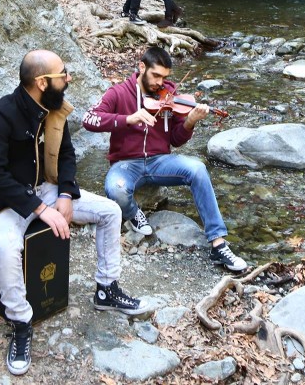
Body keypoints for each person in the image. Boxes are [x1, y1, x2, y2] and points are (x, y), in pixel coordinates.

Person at [0, 50, 148, 377]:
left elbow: (67, 155)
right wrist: (39, 208)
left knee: (110, 210)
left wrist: (65, 194)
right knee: (6, 247)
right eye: (62, 74)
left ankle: (106, 289)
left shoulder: (54, 110)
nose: (68, 78)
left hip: (50, 190)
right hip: (5, 201)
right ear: (41, 82)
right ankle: (21, 322)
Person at [81, 46, 248, 273]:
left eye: (165, 77)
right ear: (142, 67)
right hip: (126, 164)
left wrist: (189, 121)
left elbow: (177, 140)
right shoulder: (118, 93)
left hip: (160, 162)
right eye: (156, 75)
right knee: (115, 188)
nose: (161, 83)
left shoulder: (169, 97)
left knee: (197, 169)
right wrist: (127, 119)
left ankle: (218, 243)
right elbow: (89, 119)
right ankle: (133, 213)